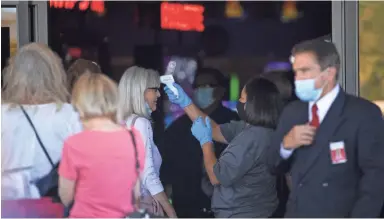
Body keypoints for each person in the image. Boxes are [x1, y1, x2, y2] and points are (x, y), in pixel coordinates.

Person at [267, 39, 384, 217]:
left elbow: (375, 180)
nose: (298, 79)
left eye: (305, 71)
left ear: (329, 73)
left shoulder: (363, 114)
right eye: (296, 72)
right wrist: (286, 145)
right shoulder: (293, 112)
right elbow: (272, 165)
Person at [163, 77, 284, 218]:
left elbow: (216, 176)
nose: (240, 102)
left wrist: (205, 142)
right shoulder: (256, 130)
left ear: (254, 104)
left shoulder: (252, 138)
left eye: (243, 98)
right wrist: (185, 102)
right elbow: (214, 129)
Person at [58, 72, 145, 218]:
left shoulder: (74, 143)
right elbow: (136, 192)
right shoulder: (134, 138)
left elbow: (66, 197)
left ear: (79, 105)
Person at [1, 43, 82, 199]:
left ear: (13, 76)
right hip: (53, 207)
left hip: (8, 209)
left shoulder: (3, 115)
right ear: (55, 74)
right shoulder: (70, 114)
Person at [160, 67, 239, 218]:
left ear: (221, 90)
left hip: (224, 209)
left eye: (207, 86)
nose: (201, 90)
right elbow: (166, 168)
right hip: (186, 208)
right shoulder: (178, 127)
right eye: (198, 87)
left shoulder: (233, 123)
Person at [117, 66, 177, 218]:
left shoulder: (119, 122)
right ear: (140, 91)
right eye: (154, 89)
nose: (158, 94)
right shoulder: (141, 123)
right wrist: (171, 212)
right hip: (141, 209)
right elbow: (148, 175)